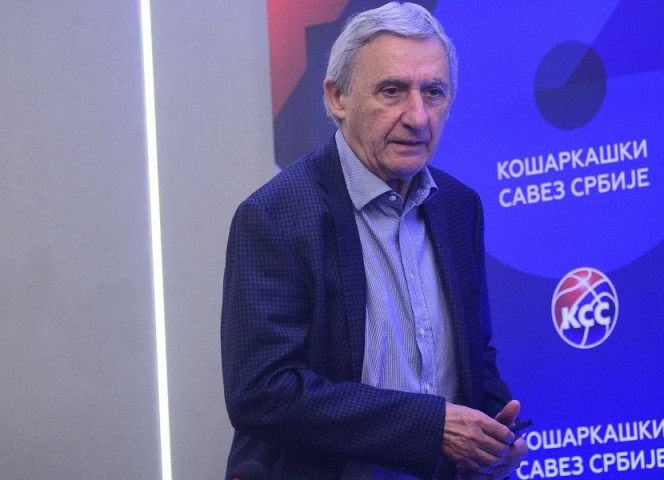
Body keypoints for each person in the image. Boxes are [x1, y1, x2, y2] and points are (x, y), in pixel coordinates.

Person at [220, 3, 528, 479]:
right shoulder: (274, 216)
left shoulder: (459, 207)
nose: (418, 117)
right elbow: (263, 392)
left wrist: (495, 436)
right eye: (392, 91)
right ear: (337, 97)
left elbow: (473, 360)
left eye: (433, 92)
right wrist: (431, 428)